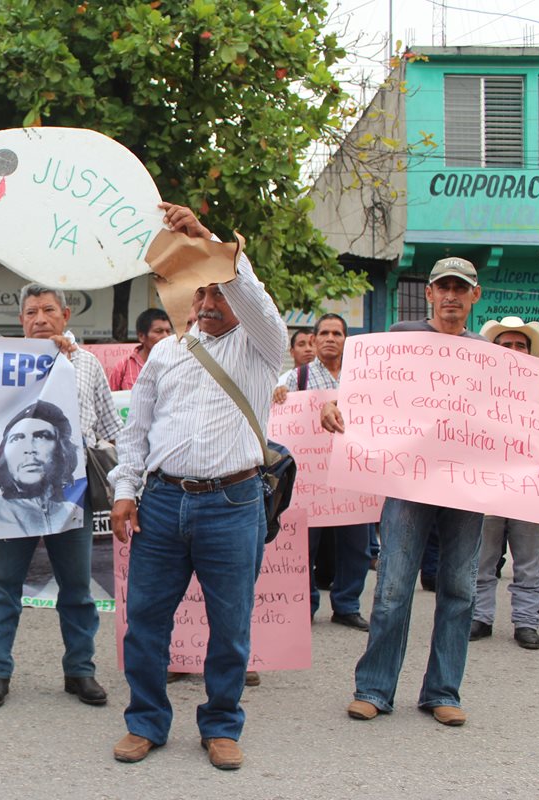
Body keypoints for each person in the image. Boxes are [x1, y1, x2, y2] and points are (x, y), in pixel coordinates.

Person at [322, 257, 539, 727]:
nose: (451, 295)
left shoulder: (494, 358)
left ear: (476, 295)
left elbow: (515, 425)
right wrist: (334, 404)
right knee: (392, 586)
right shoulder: (398, 338)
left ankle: (442, 691)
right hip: (407, 484)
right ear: (429, 294)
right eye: (442, 287)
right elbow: (359, 393)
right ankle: (373, 688)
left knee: (458, 589)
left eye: (461, 288)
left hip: (466, 492)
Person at [109, 203, 286, 770]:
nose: (207, 303)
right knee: (145, 624)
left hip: (233, 505)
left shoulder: (262, 347)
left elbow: (255, 298)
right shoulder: (165, 352)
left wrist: (207, 238)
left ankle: (221, 724)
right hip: (161, 504)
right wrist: (124, 491)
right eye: (200, 293)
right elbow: (136, 432)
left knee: (230, 627)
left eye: (218, 293)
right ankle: (145, 722)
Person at [0, 284, 121, 710]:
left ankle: (81, 671)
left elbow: (111, 429)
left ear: (66, 314)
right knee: (4, 588)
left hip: (71, 495)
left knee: (76, 589)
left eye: (48, 310)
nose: (39, 318)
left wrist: (127, 487)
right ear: (20, 320)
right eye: (31, 312)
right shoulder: (3, 365)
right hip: (10, 496)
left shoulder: (88, 364)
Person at [275, 313, 371, 631]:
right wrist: (279, 397)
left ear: (346, 340)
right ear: (314, 340)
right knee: (306, 545)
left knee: (356, 546)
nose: (331, 338)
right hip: (310, 479)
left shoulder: (362, 377)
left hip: (353, 477)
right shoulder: (295, 379)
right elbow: (279, 413)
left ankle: (347, 605)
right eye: (325, 333)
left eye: (337, 333)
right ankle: (306, 605)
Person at [470, 316, 539, 649]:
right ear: (494, 350)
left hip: (531, 485)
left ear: (530, 352)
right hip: (487, 485)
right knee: (482, 560)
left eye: (520, 345)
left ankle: (526, 622)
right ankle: (480, 617)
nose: (514, 350)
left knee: (530, 562)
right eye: (507, 345)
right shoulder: (475, 389)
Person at [0, 401, 85, 538]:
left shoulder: (75, 513)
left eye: (42, 437)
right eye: (17, 439)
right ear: (3, 454)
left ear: (60, 449)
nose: (29, 449)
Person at [109, 308, 172, 391]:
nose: (166, 336)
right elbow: (110, 399)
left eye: (168, 331)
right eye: (159, 331)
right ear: (141, 336)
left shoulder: (176, 364)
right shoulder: (124, 366)